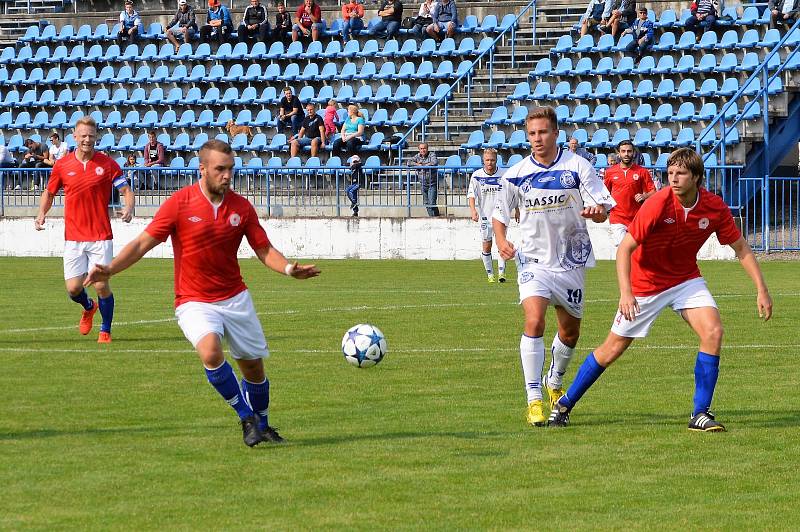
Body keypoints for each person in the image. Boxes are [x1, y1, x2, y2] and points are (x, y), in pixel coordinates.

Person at [84, 140, 320, 447]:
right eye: (220, 169)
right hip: (193, 299)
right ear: (203, 169)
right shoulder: (179, 203)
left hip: (235, 297)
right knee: (210, 352)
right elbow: (143, 243)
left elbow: (263, 249)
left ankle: (262, 423)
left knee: (254, 369)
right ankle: (246, 417)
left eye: (230, 169)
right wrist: (110, 269)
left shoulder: (241, 207)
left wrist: (288, 269)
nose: (226, 175)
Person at [547, 148, 773, 432]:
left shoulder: (714, 207)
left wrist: (761, 289)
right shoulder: (657, 204)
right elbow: (625, 250)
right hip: (645, 284)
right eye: (670, 173)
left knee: (713, 332)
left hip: (685, 279)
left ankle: (700, 413)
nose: (674, 179)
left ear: (697, 178)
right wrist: (626, 293)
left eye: (680, 173)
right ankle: (565, 404)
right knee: (611, 349)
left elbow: (740, 247)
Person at [491, 106, 615, 427]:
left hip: (571, 261)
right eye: (531, 133)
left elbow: (602, 208)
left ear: (556, 133)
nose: (537, 139)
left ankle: (554, 379)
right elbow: (500, 213)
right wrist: (501, 240)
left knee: (570, 332)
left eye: (543, 132)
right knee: (534, 322)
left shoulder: (577, 166)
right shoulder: (516, 173)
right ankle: (533, 399)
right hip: (532, 259)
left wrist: (596, 212)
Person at [34, 116, 135, 344]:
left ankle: (105, 330)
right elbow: (49, 193)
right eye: (83, 136)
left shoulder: (107, 164)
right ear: (75, 137)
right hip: (73, 237)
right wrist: (42, 214)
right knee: (73, 289)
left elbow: (125, 190)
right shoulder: (62, 165)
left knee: (101, 284)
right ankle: (88, 307)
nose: (87, 140)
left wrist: (129, 207)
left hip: (100, 236)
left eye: (91, 135)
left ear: (96, 136)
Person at [468, 148, 516, 283]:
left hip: (500, 216)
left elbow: (512, 193)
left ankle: (501, 274)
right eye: (487, 160)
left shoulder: (504, 174)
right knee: (487, 246)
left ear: (497, 160)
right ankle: (490, 274)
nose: (490, 163)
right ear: (483, 160)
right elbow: (471, 195)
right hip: (485, 217)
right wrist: (473, 211)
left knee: (502, 244)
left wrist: (517, 210)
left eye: (492, 160)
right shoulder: (477, 176)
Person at [603, 140, 655, 246]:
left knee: (637, 252)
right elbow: (605, 193)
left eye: (629, 151)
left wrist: (644, 196)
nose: (626, 154)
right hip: (617, 217)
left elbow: (653, 192)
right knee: (624, 248)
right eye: (623, 151)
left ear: (633, 153)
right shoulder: (610, 172)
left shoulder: (642, 171)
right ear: (619, 153)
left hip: (637, 217)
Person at [408, 142, 439, 217]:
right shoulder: (417, 156)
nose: (423, 150)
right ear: (419, 150)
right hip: (422, 184)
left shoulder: (432, 154)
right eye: (421, 149)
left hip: (432, 183)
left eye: (424, 148)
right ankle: (432, 217)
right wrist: (418, 164)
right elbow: (409, 162)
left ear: (427, 149)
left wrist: (423, 165)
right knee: (426, 203)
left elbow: (434, 162)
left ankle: (436, 217)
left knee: (432, 203)